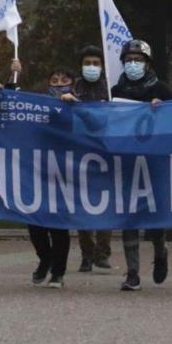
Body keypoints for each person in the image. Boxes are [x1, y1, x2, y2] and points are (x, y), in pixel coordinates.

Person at [111, 39, 172, 291]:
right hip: (125, 161)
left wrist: (164, 110)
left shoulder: (162, 89)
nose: (133, 64)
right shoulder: (116, 91)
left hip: (153, 161)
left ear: (147, 64)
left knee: (154, 215)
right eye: (128, 61)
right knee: (129, 216)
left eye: (138, 60)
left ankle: (160, 252)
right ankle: (133, 272)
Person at [60, 45, 113, 272]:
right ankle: (86, 253)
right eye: (87, 63)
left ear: (102, 66)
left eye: (96, 63)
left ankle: (103, 252)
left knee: (106, 204)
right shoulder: (73, 89)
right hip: (80, 153)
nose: (92, 67)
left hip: (106, 152)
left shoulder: (110, 89)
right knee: (82, 205)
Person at [25, 67, 75, 288]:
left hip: (65, 172)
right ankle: (45, 258)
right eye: (54, 79)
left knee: (58, 223)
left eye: (64, 79)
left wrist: (74, 105)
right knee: (33, 220)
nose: (58, 83)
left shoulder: (79, 105)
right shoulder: (37, 106)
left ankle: (58, 271)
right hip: (38, 169)